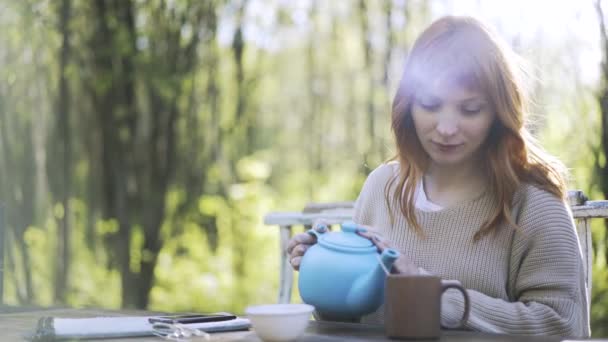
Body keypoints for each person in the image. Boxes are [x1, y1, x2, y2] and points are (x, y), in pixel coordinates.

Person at [286, 15, 590, 337]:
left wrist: (432, 294)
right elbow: (355, 322)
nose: (446, 129)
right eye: (430, 105)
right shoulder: (382, 187)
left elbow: (562, 324)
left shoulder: (533, 201)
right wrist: (326, 272)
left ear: (498, 112)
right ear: (408, 104)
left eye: (470, 109)